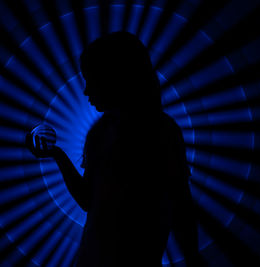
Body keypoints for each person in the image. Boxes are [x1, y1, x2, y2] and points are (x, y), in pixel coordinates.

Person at [26, 32, 200, 267]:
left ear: (115, 77)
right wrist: (57, 155)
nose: (86, 91)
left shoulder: (158, 132)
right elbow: (90, 201)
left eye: (91, 79)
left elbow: (180, 206)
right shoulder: (106, 132)